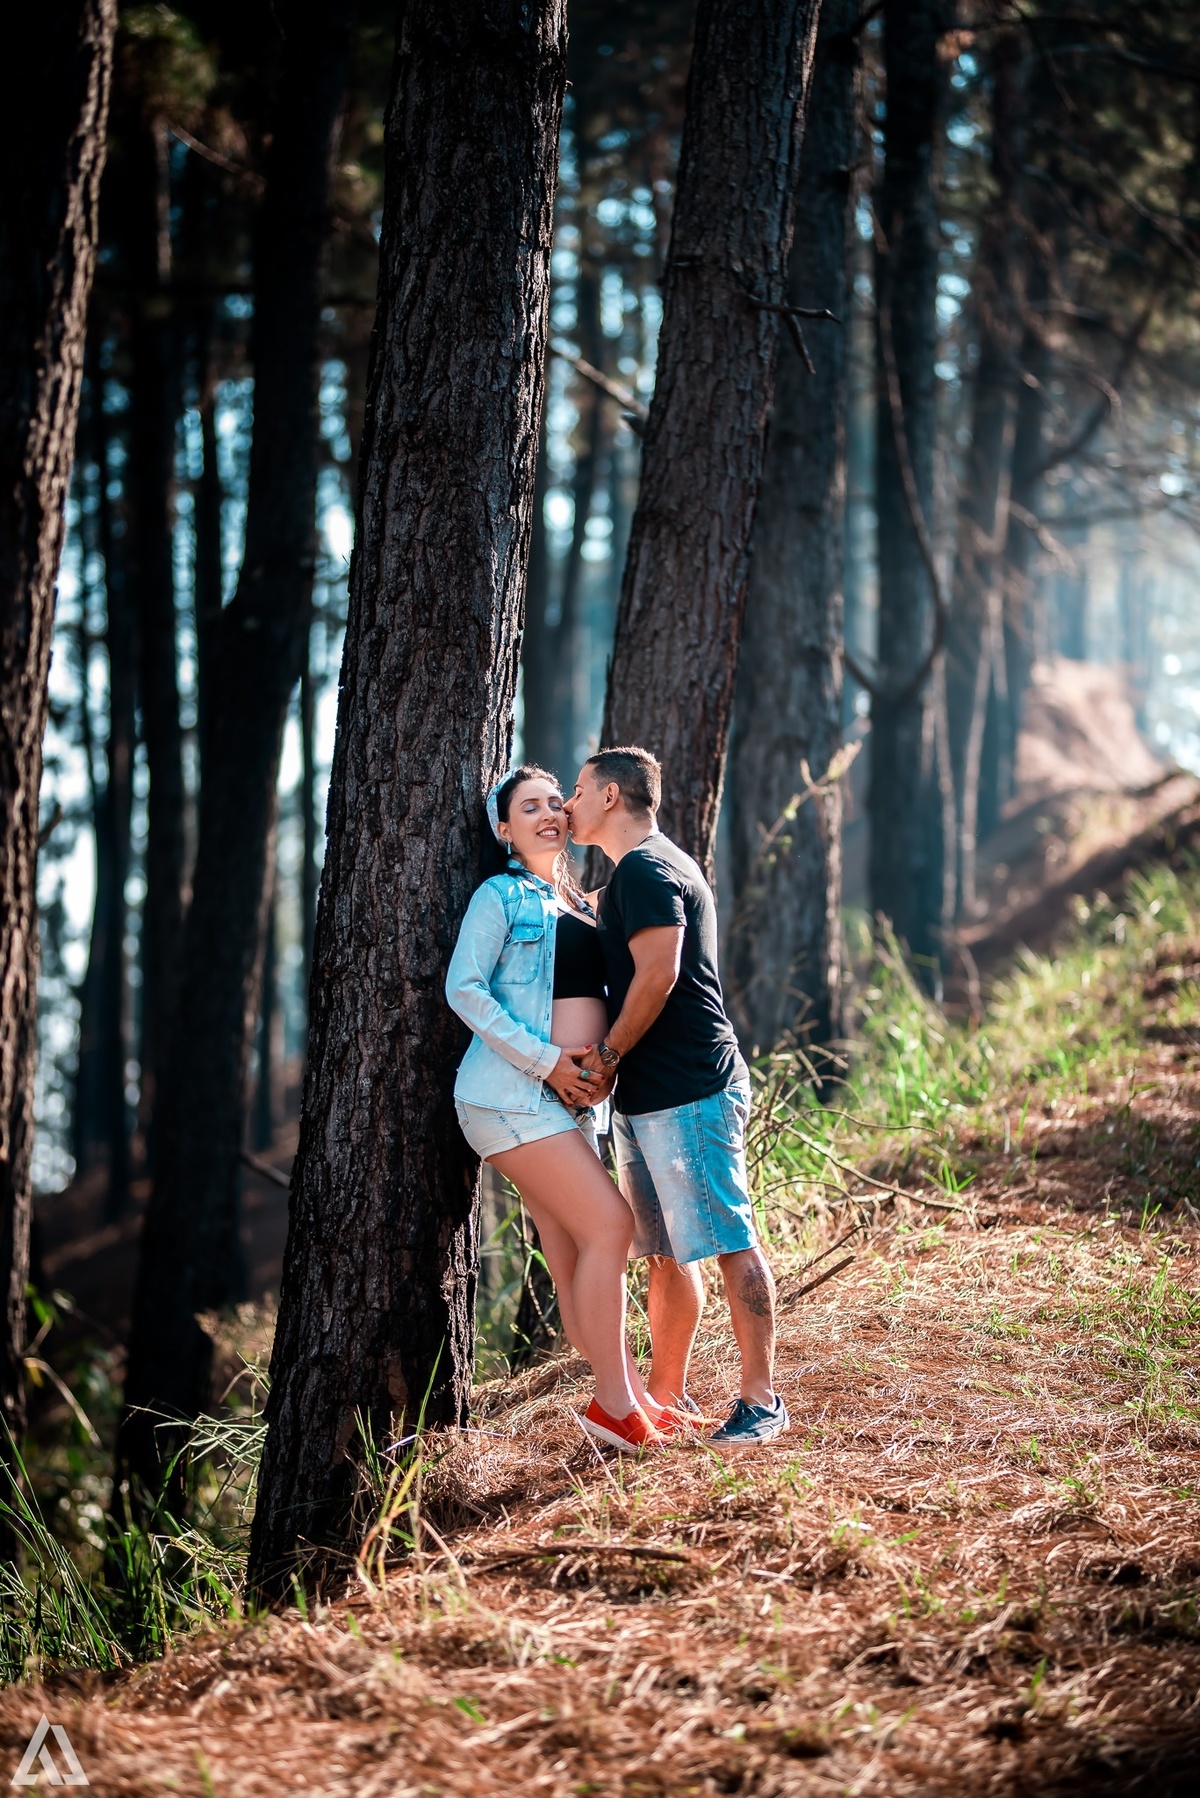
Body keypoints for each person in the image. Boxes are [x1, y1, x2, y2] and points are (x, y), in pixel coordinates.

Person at [445, 765, 682, 1454]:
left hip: (570, 1106)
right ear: (503, 829)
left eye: (555, 802)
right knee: (612, 1225)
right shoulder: (501, 896)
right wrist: (547, 1060)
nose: (549, 813)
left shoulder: (583, 903)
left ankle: (628, 1400)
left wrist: (598, 1067)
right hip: (510, 1096)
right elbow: (463, 987)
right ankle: (615, 1409)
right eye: (529, 807)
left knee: (577, 1246)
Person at [564, 746, 790, 1447]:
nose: (568, 803)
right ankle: (664, 1395)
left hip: (690, 1091)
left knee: (729, 1240)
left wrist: (604, 1057)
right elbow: (591, 915)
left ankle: (762, 1401)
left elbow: (658, 975)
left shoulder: (648, 868)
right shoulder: (638, 874)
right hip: (649, 1098)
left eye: (575, 790)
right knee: (666, 1253)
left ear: (609, 796)